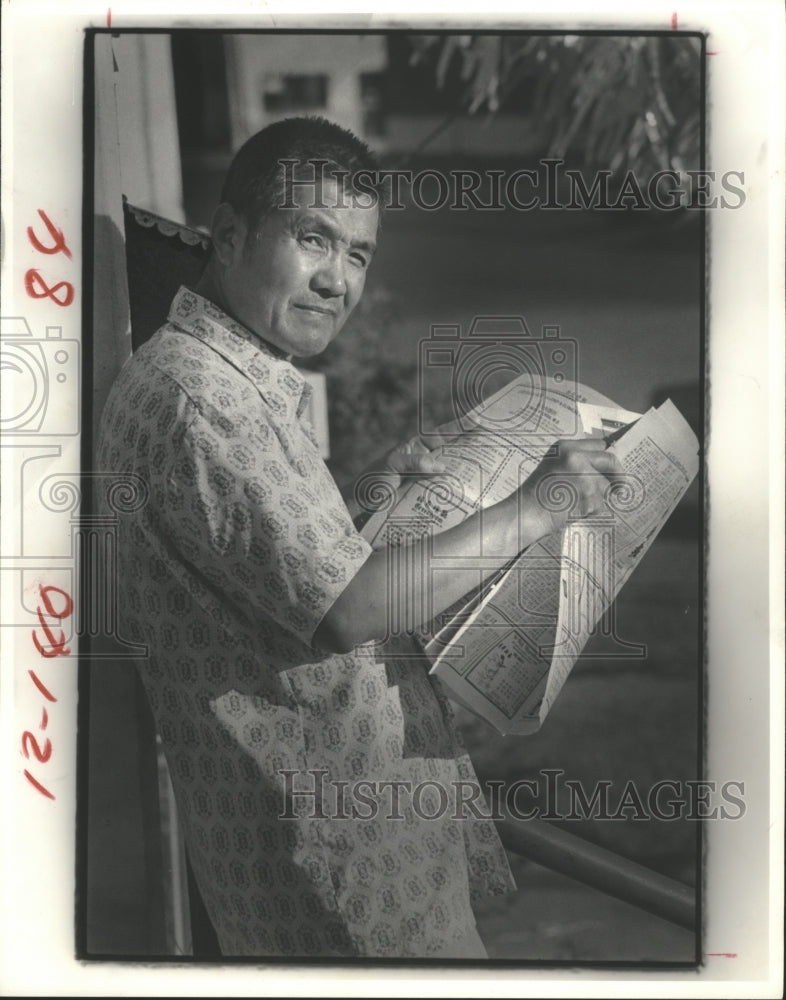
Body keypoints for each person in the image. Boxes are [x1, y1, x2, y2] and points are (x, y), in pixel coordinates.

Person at [97, 115, 620, 959]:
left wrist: (375, 488)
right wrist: (539, 506)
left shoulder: (217, 377)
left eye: (359, 254)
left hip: (351, 862)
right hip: (343, 886)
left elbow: (263, 573)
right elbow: (346, 609)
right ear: (228, 237)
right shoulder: (208, 403)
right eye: (314, 239)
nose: (337, 280)